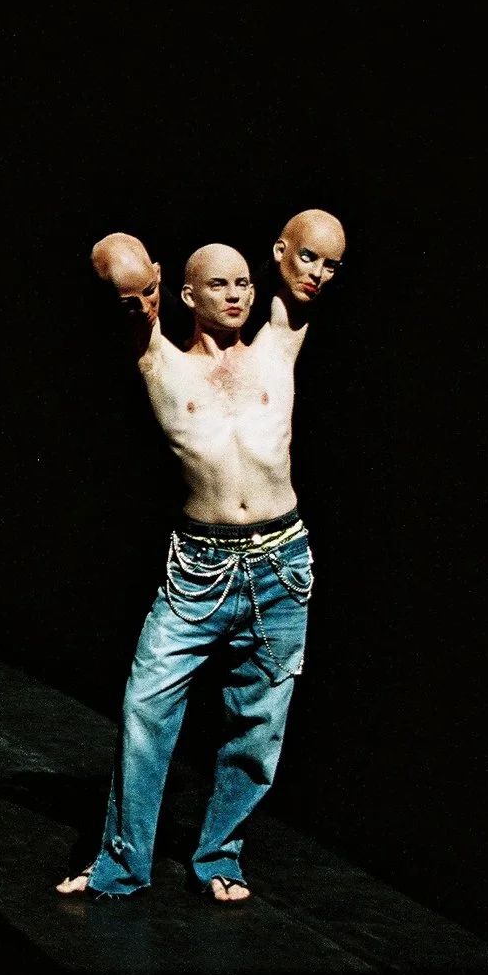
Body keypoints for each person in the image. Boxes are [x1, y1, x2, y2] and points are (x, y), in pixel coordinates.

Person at [58, 211, 347, 902]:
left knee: (259, 724)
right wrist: (141, 279)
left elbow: (314, 243)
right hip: (200, 568)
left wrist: (306, 257)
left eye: (244, 282)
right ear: (183, 293)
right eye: (219, 284)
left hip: (281, 562)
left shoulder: (279, 340)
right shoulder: (159, 358)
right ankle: (121, 865)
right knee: (146, 708)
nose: (237, 294)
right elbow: (113, 259)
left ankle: (220, 855)